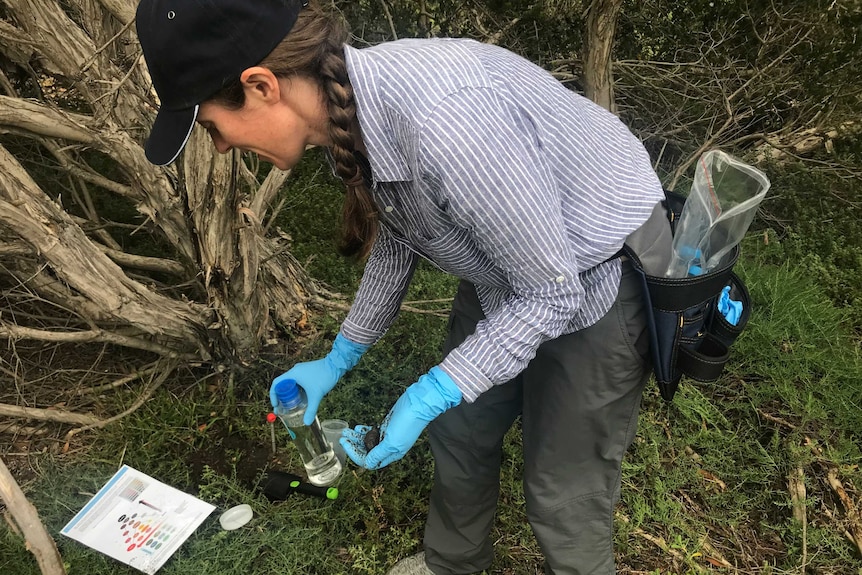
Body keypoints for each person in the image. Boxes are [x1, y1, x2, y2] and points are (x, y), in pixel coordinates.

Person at [135, 1, 672, 573]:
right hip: (507, 264)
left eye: (212, 125)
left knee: (562, 485)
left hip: (596, 274)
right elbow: (401, 235)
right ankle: (451, 563)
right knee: (461, 432)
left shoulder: (447, 123)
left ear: (262, 86)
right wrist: (339, 359)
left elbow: (550, 293)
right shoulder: (349, 115)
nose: (217, 145)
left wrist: (432, 389)